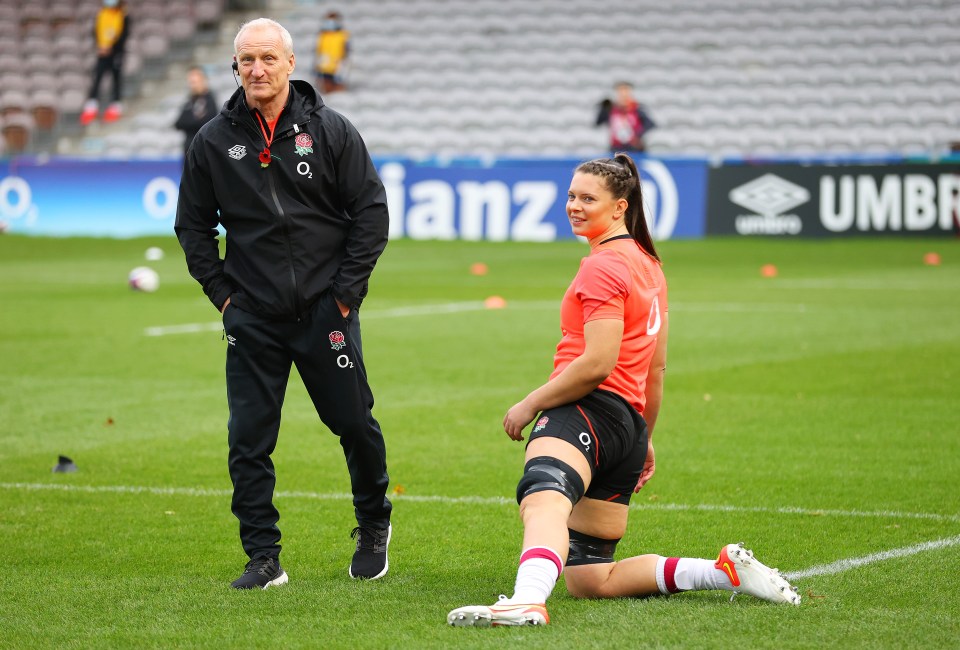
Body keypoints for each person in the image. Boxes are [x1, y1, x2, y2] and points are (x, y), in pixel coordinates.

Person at [447, 154, 800, 628]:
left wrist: (530, 403)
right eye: (571, 195)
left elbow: (596, 363)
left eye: (587, 198)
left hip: (586, 410)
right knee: (592, 578)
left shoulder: (604, 266)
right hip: (626, 425)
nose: (574, 205)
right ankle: (722, 573)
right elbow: (655, 370)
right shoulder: (650, 266)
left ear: (620, 207)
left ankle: (527, 599)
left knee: (544, 497)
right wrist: (643, 436)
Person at [175, 17, 392, 590]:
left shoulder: (330, 130)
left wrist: (345, 295)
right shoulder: (213, 141)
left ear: (292, 64)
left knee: (353, 424)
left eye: (269, 58)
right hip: (253, 317)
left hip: (326, 312)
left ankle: (374, 524)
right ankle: (263, 557)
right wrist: (224, 298)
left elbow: (370, 213)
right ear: (236, 68)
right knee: (248, 439)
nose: (258, 69)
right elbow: (192, 227)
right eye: (247, 59)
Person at [80, 0, 129, 126]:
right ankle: (91, 106)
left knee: (116, 79)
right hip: (102, 52)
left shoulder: (124, 16)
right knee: (97, 77)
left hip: (116, 53)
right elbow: (96, 31)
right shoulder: (101, 14)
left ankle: (115, 106)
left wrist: (111, 47)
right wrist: (100, 47)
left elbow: (123, 35)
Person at [595, 82, 656, 153]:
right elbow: (598, 122)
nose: (623, 94)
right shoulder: (611, 109)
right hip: (616, 147)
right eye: (620, 92)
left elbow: (650, 124)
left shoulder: (637, 108)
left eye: (625, 91)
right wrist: (603, 108)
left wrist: (638, 135)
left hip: (634, 147)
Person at [173, 66, 219, 158]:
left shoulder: (209, 100)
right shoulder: (190, 101)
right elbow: (178, 123)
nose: (192, 85)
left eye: (195, 82)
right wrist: (194, 119)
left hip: (204, 150)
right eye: (190, 82)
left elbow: (208, 121)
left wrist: (190, 121)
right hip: (189, 150)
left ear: (203, 80)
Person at [314, 11, 350, 93]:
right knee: (326, 89)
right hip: (324, 67)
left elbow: (346, 51)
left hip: (338, 66)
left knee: (338, 89)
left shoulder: (343, 35)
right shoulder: (322, 35)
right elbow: (318, 51)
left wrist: (343, 65)